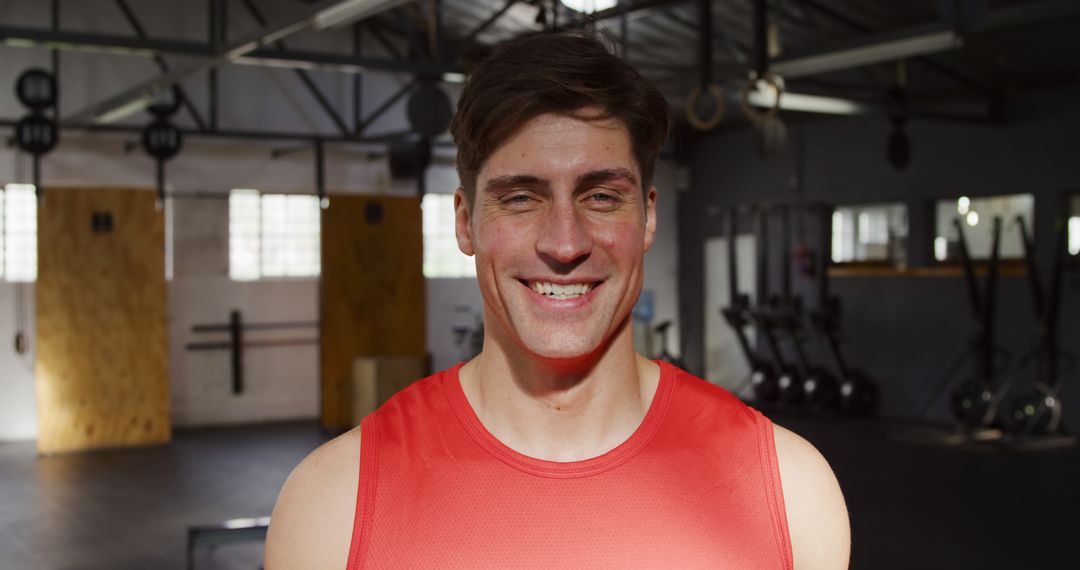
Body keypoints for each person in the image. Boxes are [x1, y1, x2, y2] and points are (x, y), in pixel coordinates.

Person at [265, 30, 849, 570]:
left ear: (647, 215)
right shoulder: (331, 505)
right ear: (465, 223)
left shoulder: (791, 493)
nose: (565, 244)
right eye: (520, 198)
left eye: (600, 196)